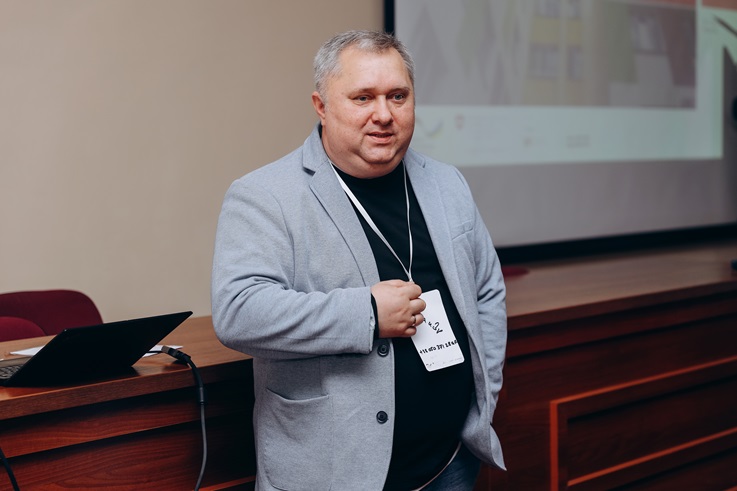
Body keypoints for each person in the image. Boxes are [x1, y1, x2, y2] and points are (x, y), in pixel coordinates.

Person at [211, 30, 507, 491]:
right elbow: (239, 312)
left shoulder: (446, 182)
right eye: (363, 97)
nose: (384, 114)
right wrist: (367, 313)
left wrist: (482, 397)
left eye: (398, 96)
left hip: (450, 462)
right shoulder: (265, 195)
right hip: (332, 473)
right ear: (322, 106)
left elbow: (487, 290)